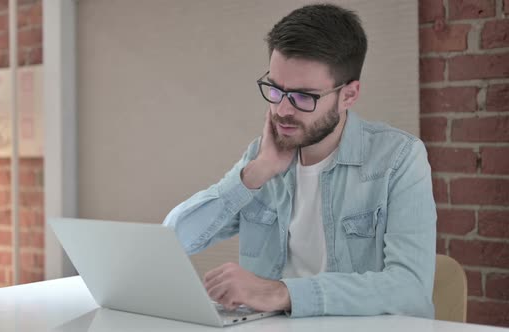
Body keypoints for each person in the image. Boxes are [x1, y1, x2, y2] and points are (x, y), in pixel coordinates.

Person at [163, 3, 436, 319]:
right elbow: (175, 238)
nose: (282, 110)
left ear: (348, 95)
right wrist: (256, 172)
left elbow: (410, 289)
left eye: (304, 97)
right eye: (276, 90)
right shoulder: (262, 156)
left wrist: (279, 292)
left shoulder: (399, 159)